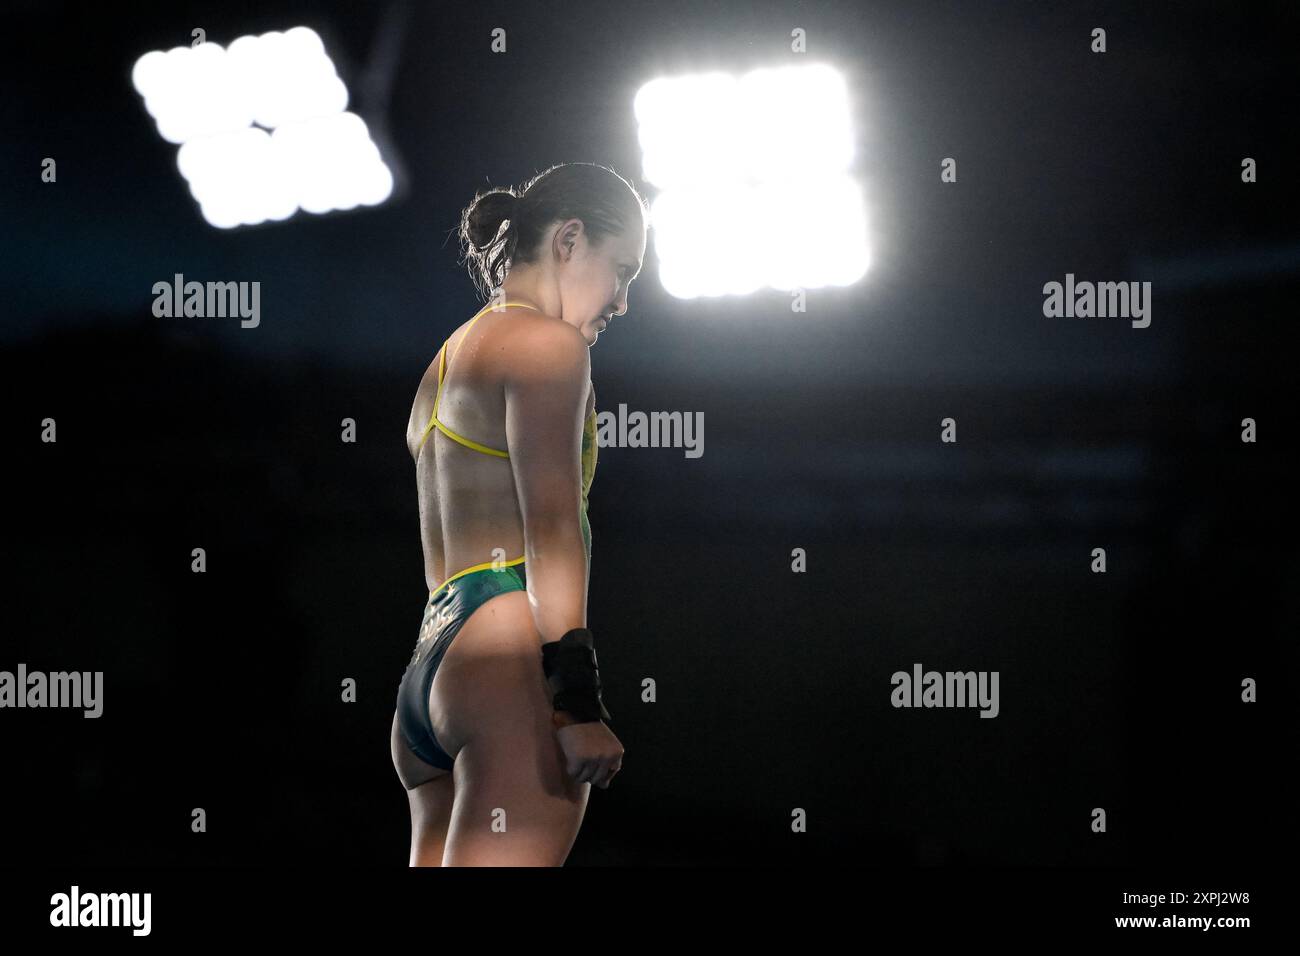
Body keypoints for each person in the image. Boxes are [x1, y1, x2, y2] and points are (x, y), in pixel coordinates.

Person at [390, 162, 648, 865]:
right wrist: (576, 703)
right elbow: (554, 529)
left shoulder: (443, 362)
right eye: (622, 269)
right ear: (568, 241)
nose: (624, 300)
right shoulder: (546, 345)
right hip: (504, 663)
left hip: (433, 669)